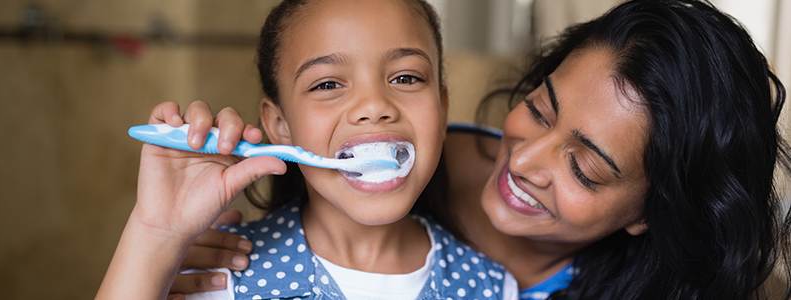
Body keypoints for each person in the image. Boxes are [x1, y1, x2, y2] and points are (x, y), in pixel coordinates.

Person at [170, 0, 791, 299]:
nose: (521, 161)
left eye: (584, 167)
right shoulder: (405, 149)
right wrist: (163, 244)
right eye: (541, 109)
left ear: (648, 213)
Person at [95, 0, 520, 299]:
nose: (374, 106)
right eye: (328, 84)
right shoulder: (215, 277)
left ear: (441, 108)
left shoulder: (491, 287)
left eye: (406, 78)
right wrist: (157, 234)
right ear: (279, 125)